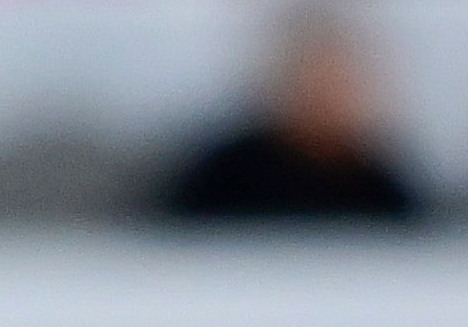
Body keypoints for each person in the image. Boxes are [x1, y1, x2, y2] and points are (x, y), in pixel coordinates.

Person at [156, 12, 419, 226]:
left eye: (339, 83)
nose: (326, 96)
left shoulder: (378, 185)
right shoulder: (226, 175)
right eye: (315, 81)